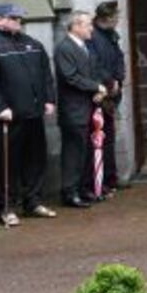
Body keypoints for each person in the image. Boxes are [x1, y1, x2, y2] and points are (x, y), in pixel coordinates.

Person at [0, 3, 57, 227]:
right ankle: (6, 207)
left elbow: (46, 74)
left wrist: (49, 99)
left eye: (20, 18)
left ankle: (33, 201)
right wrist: (0, 107)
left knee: (36, 160)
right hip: (9, 117)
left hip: (34, 114)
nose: (19, 21)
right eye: (14, 18)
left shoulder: (32, 44)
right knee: (8, 163)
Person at [55, 11, 107, 209]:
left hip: (89, 105)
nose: (91, 29)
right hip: (73, 109)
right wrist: (95, 87)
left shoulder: (85, 46)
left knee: (86, 150)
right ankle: (70, 192)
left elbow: (94, 71)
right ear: (75, 26)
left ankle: (84, 188)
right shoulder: (64, 48)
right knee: (73, 152)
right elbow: (70, 77)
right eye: (87, 25)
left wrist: (99, 90)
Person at [89, 0, 126, 193]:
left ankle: (111, 177)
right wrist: (109, 82)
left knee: (109, 137)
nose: (117, 20)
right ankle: (100, 180)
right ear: (106, 18)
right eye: (115, 17)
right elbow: (94, 64)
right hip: (100, 93)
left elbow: (119, 58)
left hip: (112, 93)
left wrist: (118, 78)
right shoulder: (92, 36)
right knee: (99, 138)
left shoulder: (111, 35)